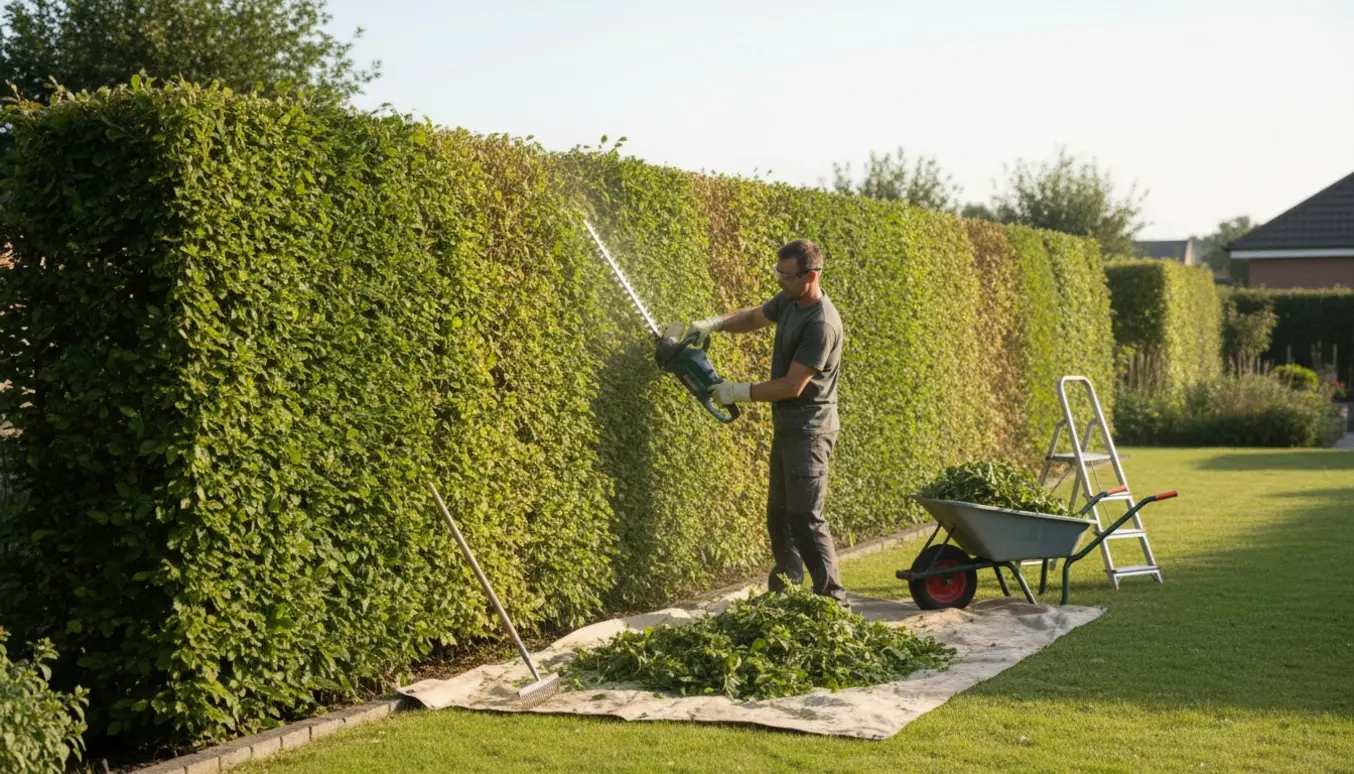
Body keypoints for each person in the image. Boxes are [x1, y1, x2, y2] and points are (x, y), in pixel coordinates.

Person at [692, 239, 847, 606]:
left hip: (810, 429)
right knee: (778, 516)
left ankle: (834, 604)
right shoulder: (790, 301)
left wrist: (736, 391)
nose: (780, 281)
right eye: (777, 273)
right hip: (789, 427)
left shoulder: (820, 324)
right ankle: (786, 594)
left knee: (807, 519)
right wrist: (713, 324)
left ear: (810, 276)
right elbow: (754, 317)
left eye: (787, 275)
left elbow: (794, 386)